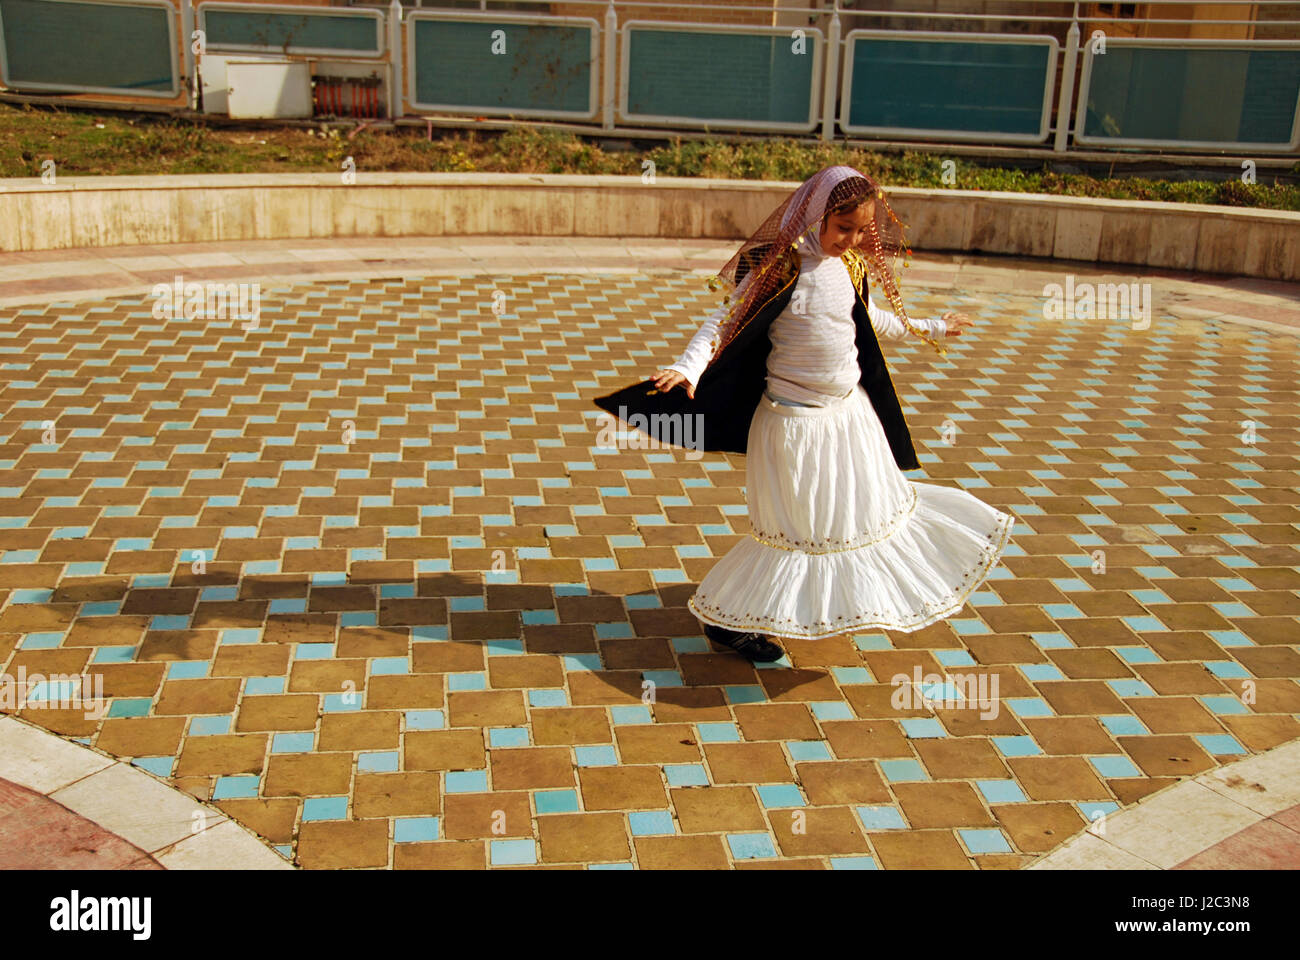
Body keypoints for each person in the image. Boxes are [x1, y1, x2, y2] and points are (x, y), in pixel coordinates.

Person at [593, 165, 1015, 662]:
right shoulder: (779, 267)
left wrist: (933, 327)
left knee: (862, 519)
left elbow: (870, 320)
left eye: (862, 230)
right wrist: (689, 367)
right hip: (794, 427)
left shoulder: (850, 266)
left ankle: (832, 603)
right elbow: (725, 321)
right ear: (816, 215)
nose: (852, 239)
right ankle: (726, 619)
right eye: (843, 229)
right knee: (797, 533)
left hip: (850, 419)